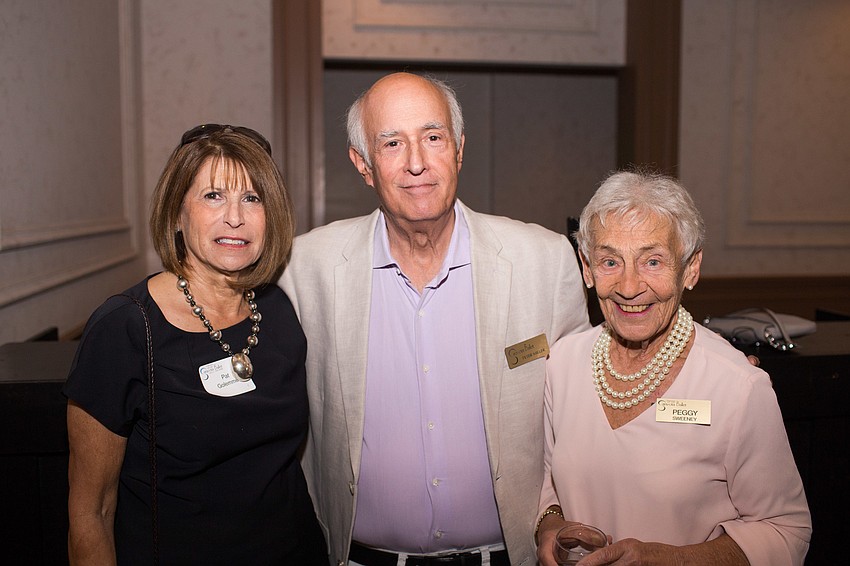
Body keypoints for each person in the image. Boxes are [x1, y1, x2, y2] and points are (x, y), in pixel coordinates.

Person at [279, 72, 590, 565]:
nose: (417, 162)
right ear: (363, 164)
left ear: (458, 149)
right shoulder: (304, 269)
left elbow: (580, 418)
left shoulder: (545, 262)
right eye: (392, 143)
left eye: (432, 137)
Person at [64, 124, 327, 564]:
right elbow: (92, 513)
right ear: (176, 213)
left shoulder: (280, 309)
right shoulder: (125, 329)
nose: (235, 217)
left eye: (252, 198)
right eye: (213, 196)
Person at [536, 171, 811, 566]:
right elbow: (548, 480)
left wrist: (670, 559)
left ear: (691, 268)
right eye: (610, 261)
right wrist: (550, 523)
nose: (629, 287)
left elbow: (786, 531)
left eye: (652, 261)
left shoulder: (737, 387)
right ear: (587, 268)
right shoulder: (563, 364)